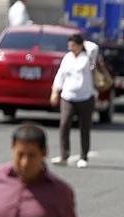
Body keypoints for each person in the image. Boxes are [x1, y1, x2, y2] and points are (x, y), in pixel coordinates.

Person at [50, 34, 99, 169]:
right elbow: (60, 75)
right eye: (69, 45)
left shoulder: (88, 58)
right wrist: (55, 92)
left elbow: (94, 47)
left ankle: (84, 156)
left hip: (86, 98)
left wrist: (84, 43)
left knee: (85, 127)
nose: (70, 48)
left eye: (73, 45)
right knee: (64, 124)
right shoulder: (67, 58)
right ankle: (64, 156)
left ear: (79, 45)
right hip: (68, 97)